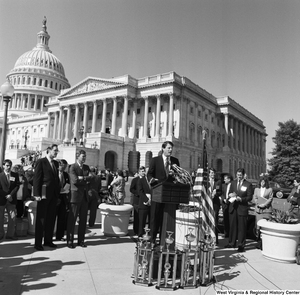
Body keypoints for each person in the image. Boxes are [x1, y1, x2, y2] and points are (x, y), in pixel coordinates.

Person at [147, 141, 180, 244]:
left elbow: (179, 175)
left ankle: (164, 241)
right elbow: (149, 174)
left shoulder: (175, 161)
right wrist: (153, 181)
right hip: (157, 193)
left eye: (171, 148)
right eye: (169, 148)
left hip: (170, 195)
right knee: (155, 217)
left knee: (166, 218)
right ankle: (152, 240)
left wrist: (175, 178)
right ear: (163, 148)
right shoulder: (155, 160)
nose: (170, 150)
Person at [33, 144, 60, 250]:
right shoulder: (41, 161)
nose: (56, 152)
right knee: (41, 219)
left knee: (51, 218)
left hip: (53, 195)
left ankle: (48, 240)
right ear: (48, 150)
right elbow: (37, 179)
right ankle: (38, 243)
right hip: (43, 195)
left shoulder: (56, 163)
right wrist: (36, 194)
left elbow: (56, 179)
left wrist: (57, 193)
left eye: (57, 151)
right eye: (54, 150)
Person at [67, 150, 93, 249]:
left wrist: (82, 178)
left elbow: (92, 178)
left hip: (84, 197)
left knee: (83, 220)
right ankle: (70, 241)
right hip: (75, 196)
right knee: (72, 219)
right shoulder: (72, 167)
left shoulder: (86, 167)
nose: (84, 158)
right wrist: (85, 179)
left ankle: (81, 240)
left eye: (85, 156)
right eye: (83, 156)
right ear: (77, 156)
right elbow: (75, 180)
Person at [226, 168, 252, 252]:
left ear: (243, 175)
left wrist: (242, 199)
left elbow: (249, 197)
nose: (239, 176)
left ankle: (241, 245)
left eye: (240, 175)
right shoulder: (233, 183)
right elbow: (230, 192)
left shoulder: (248, 184)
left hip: (242, 208)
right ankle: (231, 243)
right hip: (233, 207)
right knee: (232, 226)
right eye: (238, 175)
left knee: (242, 228)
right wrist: (231, 195)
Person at [0, 159, 20, 240]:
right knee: (0, 218)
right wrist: (6, 195)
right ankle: (1, 234)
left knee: (12, 217)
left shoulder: (15, 175)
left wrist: (11, 195)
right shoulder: (0, 175)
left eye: (10, 166)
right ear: (3, 166)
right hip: (2, 200)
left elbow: (17, 186)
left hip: (11, 199)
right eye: (7, 165)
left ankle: (10, 235)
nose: (8, 167)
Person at [253, 176, 273, 249]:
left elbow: (270, 198)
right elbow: (254, 198)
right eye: (261, 181)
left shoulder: (269, 189)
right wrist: (258, 203)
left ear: (266, 182)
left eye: (264, 182)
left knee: (265, 227)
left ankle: (264, 244)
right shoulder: (256, 189)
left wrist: (264, 204)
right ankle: (259, 242)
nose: (262, 183)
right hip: (259, 210)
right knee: (258, 227)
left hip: (266, 210)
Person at [55, 159, 70, 241]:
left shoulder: (66, 174)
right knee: (52, 218)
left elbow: (68, 183)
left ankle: (59, 235)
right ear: (59, 165)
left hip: (63, 197)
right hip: (55, 198)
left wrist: (66, 189)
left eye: (65, 167)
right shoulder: (54, 173)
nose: (63, 168)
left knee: (62, 218)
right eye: (62, 166)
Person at [207, 168, 222, 244]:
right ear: (209, 173)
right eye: (212, 173)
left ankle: (215, 239)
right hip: (208, 203)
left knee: (215, 220)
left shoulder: (218, 182)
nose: (213, 174)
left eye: (214, 173)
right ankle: (207, 238)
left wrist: (215, 193)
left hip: (215, 204)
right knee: (208, 220)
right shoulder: (206, 182)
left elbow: (220, 192)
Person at [137, 167, 151, 237]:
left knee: (152, 221)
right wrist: (146, 200)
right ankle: (140, 236)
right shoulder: (141, 180)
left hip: (152, 203)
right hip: (143, 203)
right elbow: (140, 191)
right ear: (145, 172)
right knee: (142, 221)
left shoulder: (153, 180)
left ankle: (150, 236)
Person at [221, 173, 233, 238]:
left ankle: (231, 233)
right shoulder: (223, 185)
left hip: (231, 204)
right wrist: (224, 199)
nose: (224, 180)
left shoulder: (233, 185)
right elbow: (221, 193)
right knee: (225, 220)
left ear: (229, 179)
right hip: (224, 204)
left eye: (225, 179)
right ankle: (226, 233)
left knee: (231, 220)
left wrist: (228, 199)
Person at [130, 171, 141, 236]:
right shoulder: (135, 180)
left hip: (144, 200)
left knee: (142, 217)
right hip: (137, 200)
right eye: (142, 171)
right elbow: (131, 189)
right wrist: (138, 193)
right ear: (139, 172)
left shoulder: (145, 179)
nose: (143, 173)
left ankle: (141, 230)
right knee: (136, 216)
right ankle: (136, 230)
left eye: (144, 171)